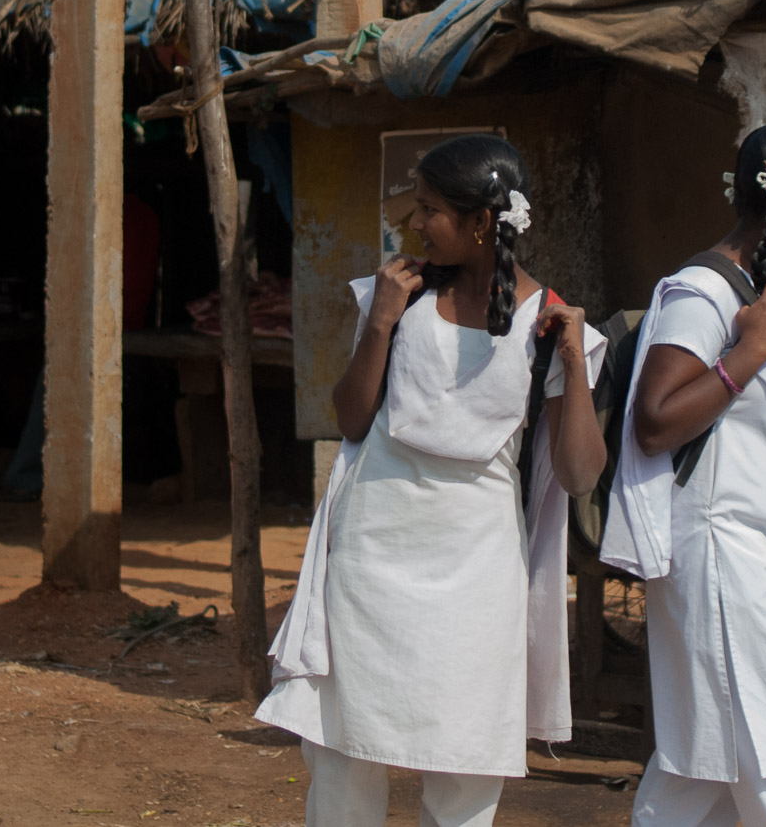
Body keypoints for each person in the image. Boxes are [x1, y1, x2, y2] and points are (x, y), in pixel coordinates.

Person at [256, 134, 608, 827]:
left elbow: (579, 473)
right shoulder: (401, 296)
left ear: (481, 222)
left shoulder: (549, 323)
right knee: (343, 751)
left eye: (428, 209)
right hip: (370, 555)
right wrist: (380, 322)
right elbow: (352, 418)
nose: (413, 223)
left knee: (466, 756)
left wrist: (574, 361)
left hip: (478, 571)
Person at [604, 123, 766, 827]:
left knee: (703, 774)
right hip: (728, 559)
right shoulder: (703, 292)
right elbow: (655, 420)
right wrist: (745, 355)